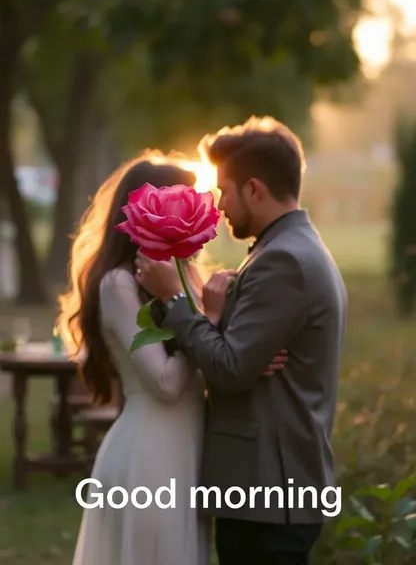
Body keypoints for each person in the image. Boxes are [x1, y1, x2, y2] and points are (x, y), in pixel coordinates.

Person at [136, 116, 348, 565]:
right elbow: (238, 357)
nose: (219, 205)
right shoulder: (287, 250)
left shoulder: (285, 261)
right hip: (264, 494)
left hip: (268, 497)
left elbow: (230, 369)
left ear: (254, 189)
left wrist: (175, 300)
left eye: (224, 190)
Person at [56, 155, 287, 565]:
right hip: (150, 455)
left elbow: (204, 349)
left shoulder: (186, 272)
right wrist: (210, 317)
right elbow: (165, 383)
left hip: (187, 451)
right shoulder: (118, 283)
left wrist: (245, 354)